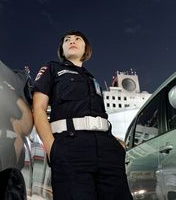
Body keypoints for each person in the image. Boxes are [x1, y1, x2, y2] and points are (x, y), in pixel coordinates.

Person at [33, 30, 133, 200]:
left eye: (77, 39)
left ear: (86, 48)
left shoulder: (93, 80)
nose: (72, 41)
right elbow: (38, 108)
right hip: (70, 148)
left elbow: (99, 116)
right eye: (67, 40)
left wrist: (115, 143)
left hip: (107, 151)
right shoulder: (52, 69)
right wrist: (52, 148)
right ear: (62, 49)